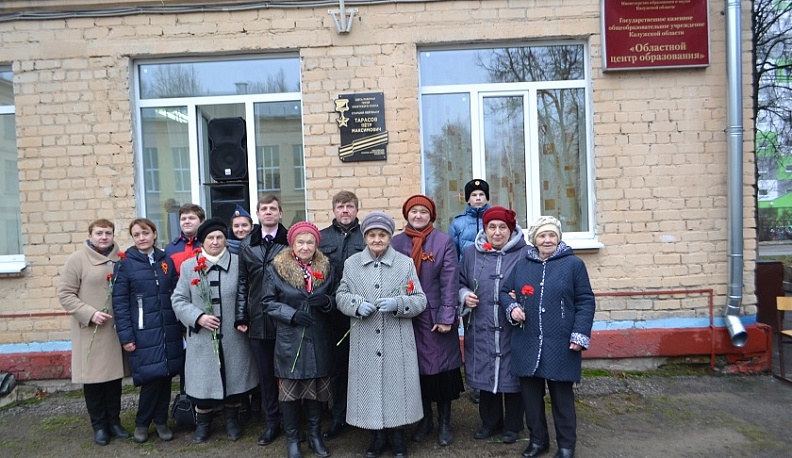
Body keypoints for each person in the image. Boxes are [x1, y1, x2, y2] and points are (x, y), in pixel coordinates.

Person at [499, 216, 595, 458]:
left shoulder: (574, 265)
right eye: (542, 236)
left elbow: (586, 301)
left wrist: (579, 334)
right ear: (534, 240)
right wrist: (512, 307)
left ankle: (566, 446)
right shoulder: (523, 265)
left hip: (561, 342)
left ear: (558, 237)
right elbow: (504, 292)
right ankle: (538, 441)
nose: (547, 240)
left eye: (552, 235)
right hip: (527, 340)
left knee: (562, 398)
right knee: (531, 399)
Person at [336, 211, 427, 458]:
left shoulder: (405, 263)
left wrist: (398, 303)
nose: (377, 239)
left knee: (396, 388)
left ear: (389, 237)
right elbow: (341, 295)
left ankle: (398, 438)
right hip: (365, 339)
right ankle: (377, 437)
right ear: (365, 237)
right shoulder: (351, 264)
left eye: (382, 235)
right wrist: (355, 305)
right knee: (369, 388)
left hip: (396, 339)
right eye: (372, 235)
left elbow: (420, 300)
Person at [171, 218, 259, 444]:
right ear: (202, 241)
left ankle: (232, 421)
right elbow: (178, 299)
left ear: (226, 240)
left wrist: (244, 318)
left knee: (234, 380)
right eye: (210, 237)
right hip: (202, 338)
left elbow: (249, 294)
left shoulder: (239, 263)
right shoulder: (190, 267)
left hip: (233, 337)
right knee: (203, 384)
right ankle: (203, 425)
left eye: (220, 237)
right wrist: (198, 317)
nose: (215, 241)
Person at [392, 195, 463, 447]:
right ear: (407, 215)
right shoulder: (396, 242)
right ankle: (425, 419)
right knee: (415, 370)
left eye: (423, 212)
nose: (418, 216)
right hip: (406, 315)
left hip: (434, 318)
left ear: (430, 215)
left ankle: (445, 422)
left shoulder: (443, 241)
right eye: (414, 212)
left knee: (440, 371)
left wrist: (446, 317)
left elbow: (450, 281)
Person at [263, 221, 335, 458]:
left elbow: (335, 296)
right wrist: (291, 315)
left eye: (310, 242)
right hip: (290, 340)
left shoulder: (326, 268)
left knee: (315, 391)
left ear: (316, 244)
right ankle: (293, 439)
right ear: (292, 244)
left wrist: (326, 303)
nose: (305, 247)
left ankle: (314, 436)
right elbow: (267, 303)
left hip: (317, 337)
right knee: (291, 393)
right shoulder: (277, 269)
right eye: (300, 242)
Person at [458, 207, 529, 444]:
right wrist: (465, 295)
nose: (497, 233)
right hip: (481, 324)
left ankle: (513, 426)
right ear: (484, 229)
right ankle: (490, 422)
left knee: (513, 376)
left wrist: (521, 299)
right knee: (486, 373)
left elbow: (535, 285)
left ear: (511, 230)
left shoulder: (526, 253)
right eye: (492, 227)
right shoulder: (471, 253)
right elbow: (459, 282)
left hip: (514, 327)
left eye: (502, 228)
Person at [57, 219, 130, 446]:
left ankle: (114, 422)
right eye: (99, 233)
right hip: (91, 330)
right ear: (90, 235)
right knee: (94, 380)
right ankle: (99, 426)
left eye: (108, 233)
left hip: (116, 330)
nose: (104, 237)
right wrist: (89, 313)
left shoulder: (121, 259)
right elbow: (65, 294)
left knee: (113, 379)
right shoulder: (77, 260)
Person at [112, 218, 184, 444]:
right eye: (136, 234)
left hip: (168, 328)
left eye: (145, 233)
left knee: (165, 376)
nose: (141, 238)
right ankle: (142, 423)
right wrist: (126, 336)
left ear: (154, 234)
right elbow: (120, 304)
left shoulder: (165, 261)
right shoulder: (125, 264)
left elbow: (176, 293)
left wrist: (181, 327)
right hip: (143, 331)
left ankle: (161, 421)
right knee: (151, 379)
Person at [234, 194, 289, 446]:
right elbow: (243, 282)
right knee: (266, 375)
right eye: (263, 209)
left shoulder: (290, 241)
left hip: (285, 319)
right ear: (258, 215)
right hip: (257, 319)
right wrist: (240, 316)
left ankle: (291, 421)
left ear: (280, 213)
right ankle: (271, 423)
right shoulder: (247, 245)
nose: (268, 212)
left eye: (273, 208)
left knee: (288, 373)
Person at [317, 190, 366, 440]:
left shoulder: (367, 235)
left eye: (349, 206)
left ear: (357, 209)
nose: (345, 210)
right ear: (334, 210)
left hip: (363, 313)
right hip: (333, 314)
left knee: (364, 367)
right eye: (340, 206)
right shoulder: (321, 237)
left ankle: (365, 416)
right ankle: (339, 416)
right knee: (337, 368)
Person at [449, 179, 491, 261]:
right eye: (474, 195)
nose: (478, 198)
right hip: (466, 271)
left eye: (481, 194)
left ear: (487, 197)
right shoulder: (457, 224)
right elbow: (452, 255)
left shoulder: (496, 220)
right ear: (468, 199)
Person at [165, 203, 206, 275]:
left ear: (202, 221)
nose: (187, 222)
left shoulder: (209, 244)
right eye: (183, 219)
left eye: (191, 218)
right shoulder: (170, 249)